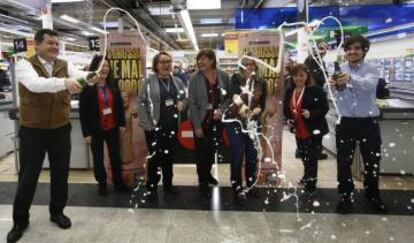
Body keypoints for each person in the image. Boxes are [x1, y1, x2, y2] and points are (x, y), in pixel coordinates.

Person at [7, 29, 93, 243]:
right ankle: (20, 220)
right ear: (37, 45)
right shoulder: (24, 64)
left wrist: (90, 77)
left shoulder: (64, 64)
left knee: (60, 173)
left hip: (60, 128)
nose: (55, 47)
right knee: (28, 176)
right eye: (50, 43)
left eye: (57, 43)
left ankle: (57, 212)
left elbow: (80, 78)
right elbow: (36, 85)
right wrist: (65, 83)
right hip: (33, 130)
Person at [329, 35, 387, 214]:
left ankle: (373, 195)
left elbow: (369, 85)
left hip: (368, 123)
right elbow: (331, 92)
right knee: (343, 163)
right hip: (345, 123)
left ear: (364, 50)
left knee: (372, 162)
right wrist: (330, 85)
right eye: (349, 49)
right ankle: (345, 197)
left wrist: (350, 79)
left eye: (356, 48)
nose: (352, 52)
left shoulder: (372, 68)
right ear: (345, 51)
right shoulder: (338, 69)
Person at [138, 51, 186, 202]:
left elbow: (183, 97)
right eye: (162, 62)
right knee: (154, 158)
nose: (166, 65)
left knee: (169, 157)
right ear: (156, 65)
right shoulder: (149, 81)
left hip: (172, 126)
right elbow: (141, 102)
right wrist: (147, 124)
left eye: (168, 62)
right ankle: (151, 187)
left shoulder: (177, 81)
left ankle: (168, 184)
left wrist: (182, 104)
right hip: (154, 127)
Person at [79, 55, 130, 196]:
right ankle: (102, 184)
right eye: (102, 65)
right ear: (95, 68)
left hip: (112, 127)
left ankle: (118, 182)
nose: (105, 68)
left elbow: (119, 106)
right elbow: (83, 112)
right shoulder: (87, 87)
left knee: (115, 156)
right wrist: (86, 133)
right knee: (98, 157)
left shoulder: (113, 85)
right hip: (96, 130)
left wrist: (122, 124)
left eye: (107, 66)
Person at [188, 48, 231, 198]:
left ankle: (208, 174)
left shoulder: (224, 76)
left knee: (212, 150)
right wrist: (197, 126)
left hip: (217, 121)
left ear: (212, 60)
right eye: (199, 59)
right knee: (201, 152)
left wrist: (221, 109)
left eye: (203, 59)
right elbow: (191, 103)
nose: (200, 62)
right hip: (201, 120)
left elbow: (228, 98)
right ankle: (202, 181)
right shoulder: (194, 77)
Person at [283, 64, 329, 200]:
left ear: (307, 76)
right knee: (304, 156)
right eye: (296, 75)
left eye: (301, 75)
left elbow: (324, 108)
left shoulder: (316, 90)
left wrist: (311, 113)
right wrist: (288, 119)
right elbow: (287, 109)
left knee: (312, 158)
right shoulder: (290, 91)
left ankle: (311, 185)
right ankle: (306, 176)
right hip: (299, 130)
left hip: (313, 130)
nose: (298, 78)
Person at [226, 57, 267, 205]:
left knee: (252, 155)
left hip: (253, 123)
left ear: (256, 65)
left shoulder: (261, 82)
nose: (249, 67)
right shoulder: (235, 79)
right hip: (235, 122)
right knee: (237, 155)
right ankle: (236, 189)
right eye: (246, 64)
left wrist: (255, 111)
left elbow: (262, 104)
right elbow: (234, 96)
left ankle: (250, 185)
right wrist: (243, 108)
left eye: (252, 64)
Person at [303, 41, 329, 161]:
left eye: (325, 49)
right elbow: (317, 79)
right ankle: (312, 151)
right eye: (320, 48)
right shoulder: (311, 62)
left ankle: (315, 150)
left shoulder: (319, 62)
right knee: (313, 127)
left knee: (317, 126)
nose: (323, 51)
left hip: (317, 98)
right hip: (312, 99)